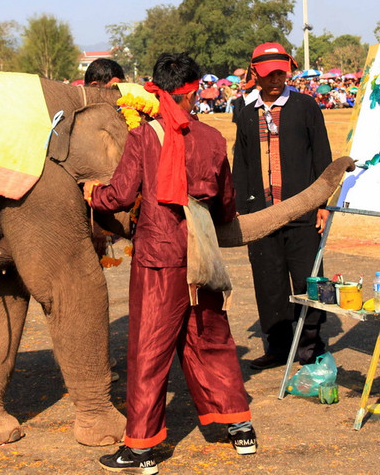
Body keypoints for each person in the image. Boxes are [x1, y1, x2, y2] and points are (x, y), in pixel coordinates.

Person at [87, 52, 255, 474]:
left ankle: (142, 449)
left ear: (158, 90)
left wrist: (92, 195)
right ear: (195, 90)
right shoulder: (214, 139)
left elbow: (121, 195)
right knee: (210, 337)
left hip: (159, 258)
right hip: (202, 253)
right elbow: (226, 203)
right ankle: (240, 427)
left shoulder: (145, 137)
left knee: (149, 349)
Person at [232, 42, 332, 370]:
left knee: (308, 279)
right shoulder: (246, 113)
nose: (276, 79)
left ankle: (311, 348)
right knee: (268, 281)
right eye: (268, 74)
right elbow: (242, 164)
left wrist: (323, 203)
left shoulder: (305, 107)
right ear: (255, 74)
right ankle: (278, 348)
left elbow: (322, 156)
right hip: (261, 215)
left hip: (303, 212)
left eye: (281, 72)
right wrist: (241, 210)